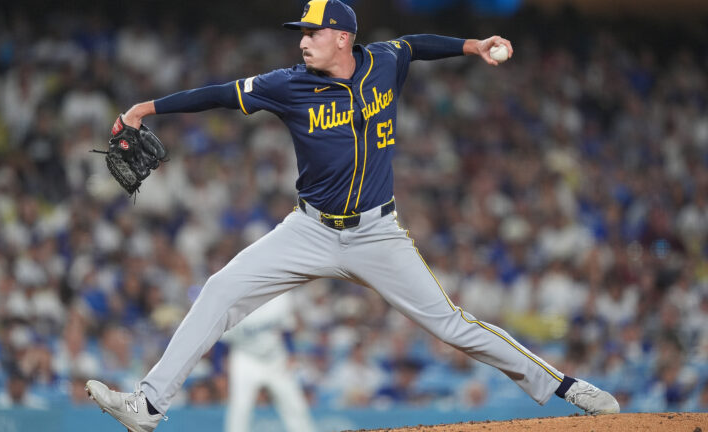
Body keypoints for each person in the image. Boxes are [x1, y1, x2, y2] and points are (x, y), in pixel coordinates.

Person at [85, 1, 620, 431]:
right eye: (302, 32)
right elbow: (220, 95)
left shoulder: (384, 61)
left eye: (312, 32)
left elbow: (418, 46)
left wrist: (473, 45)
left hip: (377, 234)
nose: (301, 40)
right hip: (309, 229)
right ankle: (149, 405)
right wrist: (144, 109)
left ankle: (566, 387)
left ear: (342, 37)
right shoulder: (287, 84)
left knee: (453, 325)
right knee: (220, 290)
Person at [221, 292, 315, 432]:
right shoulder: (234, 298)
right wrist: (219, 369)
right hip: (245, 357)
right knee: (240, 407)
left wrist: (291, 354)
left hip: (276, 358)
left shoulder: (280, 297)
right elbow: (222, 339)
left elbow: (287, 328)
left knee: (294, 405)